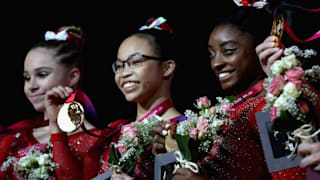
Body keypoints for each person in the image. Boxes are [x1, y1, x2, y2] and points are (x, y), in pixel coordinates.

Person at [173, 6, 308, 180]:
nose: (216, 63)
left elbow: (293, 177)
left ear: (261, 47)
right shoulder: (235, 108)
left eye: (228, 51)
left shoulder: (272, 106)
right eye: (211, 54)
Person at [0, 26, 104, 180]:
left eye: (42, 74)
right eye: (27, 77)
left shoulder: (96, 142)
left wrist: (56, 127)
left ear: (73, 76)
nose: (31, 86)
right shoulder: (14, 138)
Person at [95, 17, 184, 180]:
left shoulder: (181, 132)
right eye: (120, 66)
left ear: (167, 67)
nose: (124, 73)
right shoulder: (115, 130)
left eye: (135, 62)